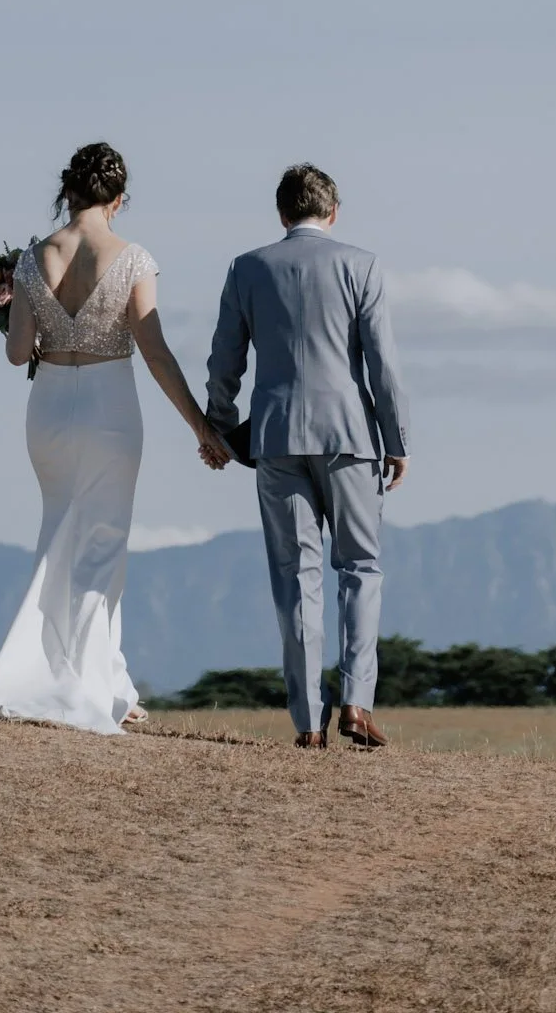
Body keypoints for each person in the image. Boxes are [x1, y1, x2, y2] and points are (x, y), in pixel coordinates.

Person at [0, 142, 228, 734]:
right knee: (101, 545)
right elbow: (156, 353)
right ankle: (88, 688)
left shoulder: (30, 258)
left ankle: (93, 678)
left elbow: (18, 351)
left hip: (48, 409)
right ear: (118, 200)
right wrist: (201, 427)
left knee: (58, 532)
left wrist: (23, 319)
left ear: (68, 192)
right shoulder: (132, 257)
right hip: (108, 408)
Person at [206, 163, 409, 750]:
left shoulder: (247, 268)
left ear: (281, 213)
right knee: (361, 568)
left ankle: (308, 724)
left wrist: (219, 427)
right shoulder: (361, 264)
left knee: (296, 578)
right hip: (350, 437)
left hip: (275, 438)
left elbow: (225, 360)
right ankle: (356, 702)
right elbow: (383, 364)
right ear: (334, 211)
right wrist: (397, 440)